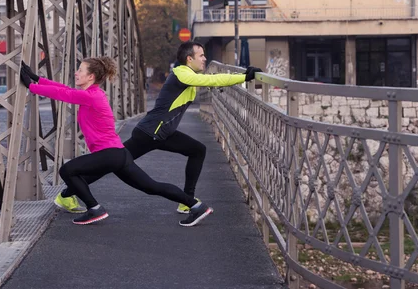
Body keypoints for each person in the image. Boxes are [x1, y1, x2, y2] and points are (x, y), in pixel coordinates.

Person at [19, 58, 213, 227]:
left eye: (80, 71)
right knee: (152, 186)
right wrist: (37, 79)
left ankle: (94, 208)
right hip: (118, 154)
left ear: (91, 77)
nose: (76, 73)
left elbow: (64, 95)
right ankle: (196, 206)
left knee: (67, 171)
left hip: (109, 154)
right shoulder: (92, 94)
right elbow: (66, 90)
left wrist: (31, 87)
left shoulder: (90, 96)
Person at [123, 41, 262, 214]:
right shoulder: (181, 73)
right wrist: (244, 77)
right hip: (150, 132)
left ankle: (187, 201)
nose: (205, 59)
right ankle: (78, 185)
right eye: (201, 55)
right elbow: (212, 79)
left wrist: (234, 78)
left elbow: (211, 81)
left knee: (197, 150)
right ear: (189, 59)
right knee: (113, 161)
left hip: (162, 132)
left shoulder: (186, 74)